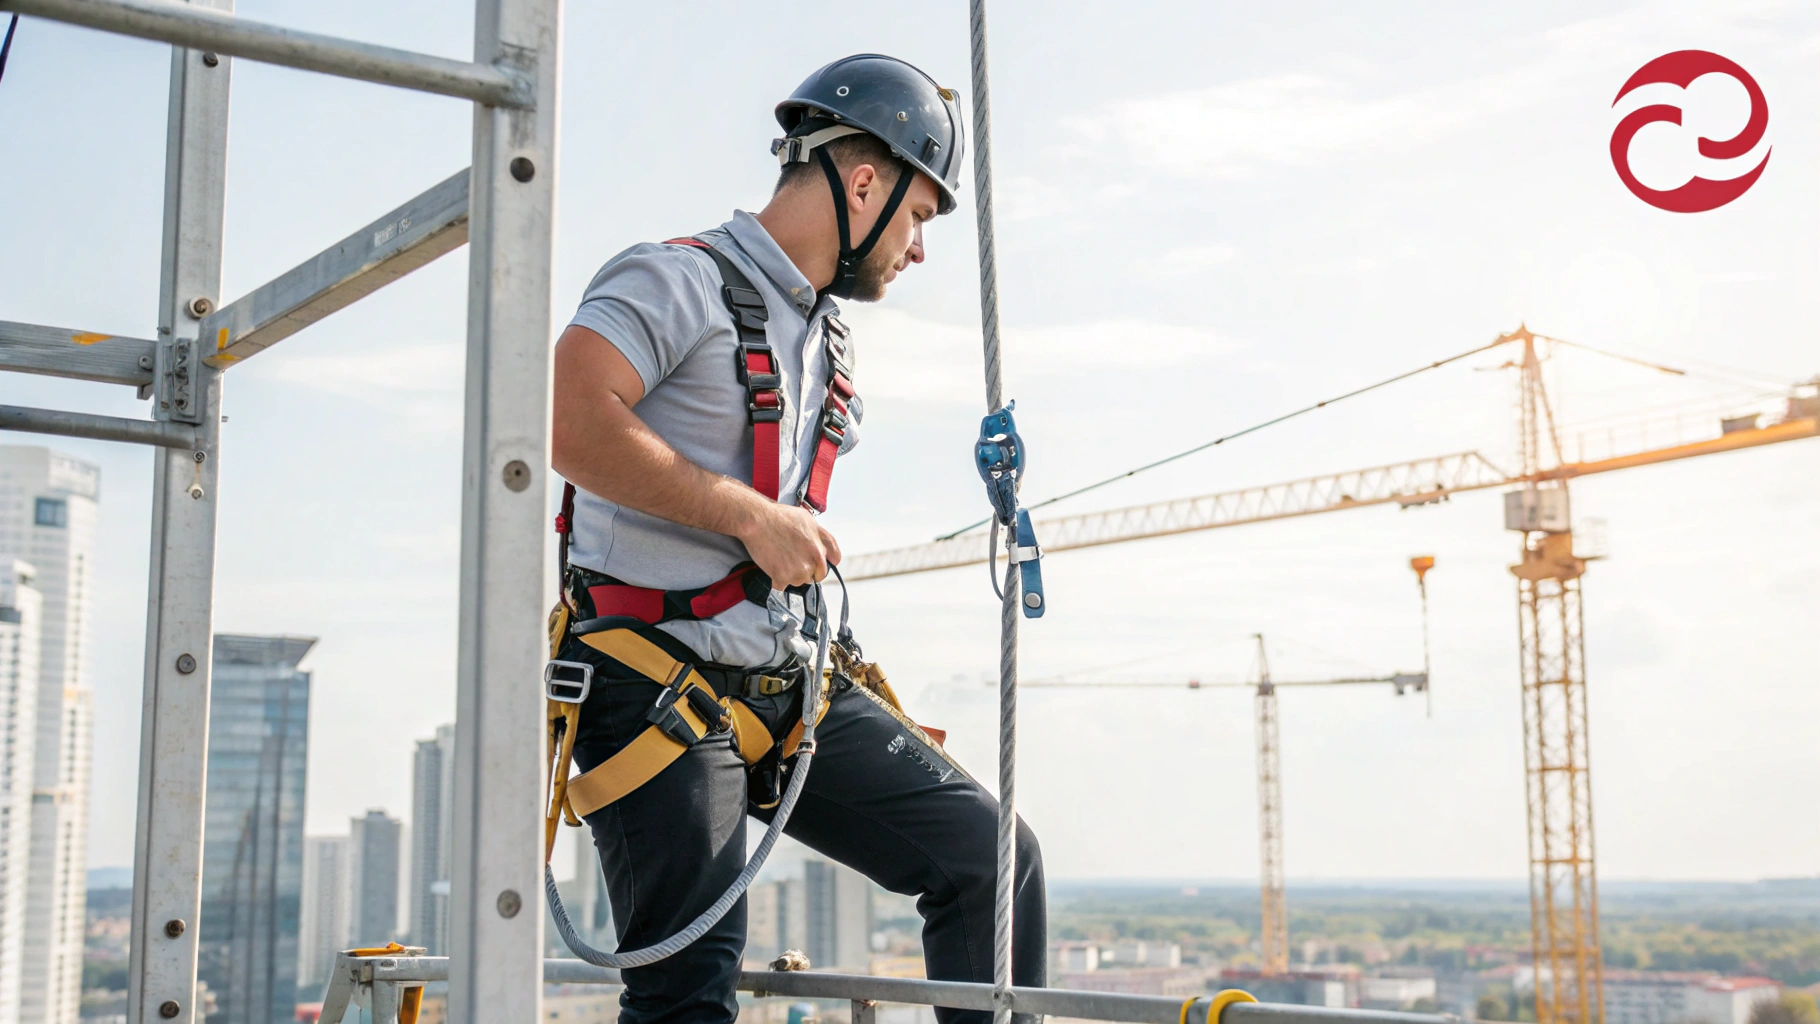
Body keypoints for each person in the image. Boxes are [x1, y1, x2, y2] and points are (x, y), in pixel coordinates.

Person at [548, 54, 1047, 1024]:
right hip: (651, 682)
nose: (915, 248)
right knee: (687, 989)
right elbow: (565, 418)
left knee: (993, 860)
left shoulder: (823, 340)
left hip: (777, 678)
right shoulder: (676, 279)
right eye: (914, 217)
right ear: (863, 182)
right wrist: (746, 515)